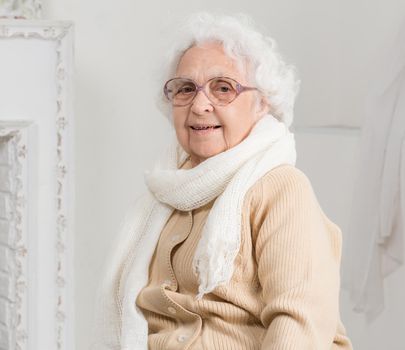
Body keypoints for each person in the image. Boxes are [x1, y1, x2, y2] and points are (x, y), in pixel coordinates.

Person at [90, 12, 353, 350]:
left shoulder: (280, 188)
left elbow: (298, 326)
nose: (200, 105)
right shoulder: (162, 195)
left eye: (223, 88)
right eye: (186, 89)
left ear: (262, 103)